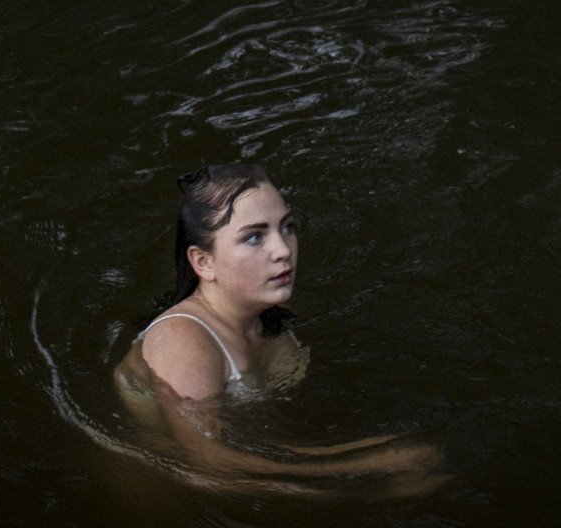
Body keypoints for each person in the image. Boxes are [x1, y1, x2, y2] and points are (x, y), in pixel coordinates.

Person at [112, 162, 446, 497]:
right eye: (254, 237)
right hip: (154, 496)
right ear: (203, 262)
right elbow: (207, 465)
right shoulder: (185, 341)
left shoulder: (268, 320)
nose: (283, 250)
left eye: (287, 227)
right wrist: (368, 468)